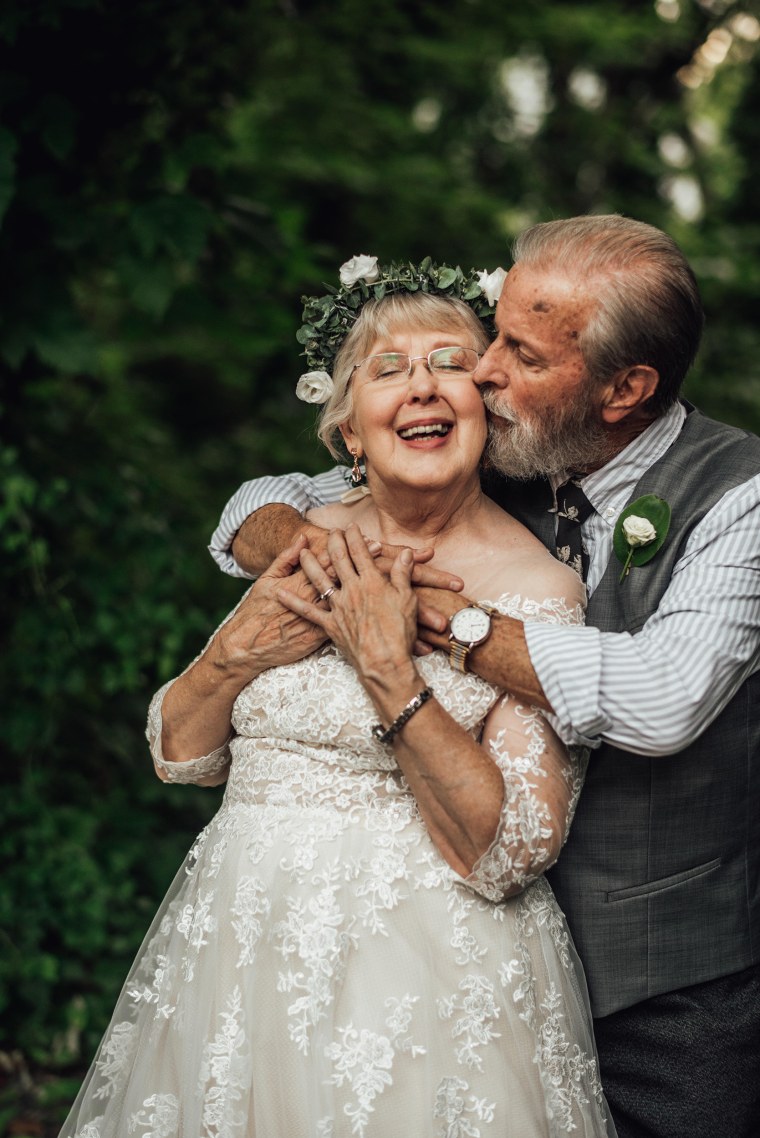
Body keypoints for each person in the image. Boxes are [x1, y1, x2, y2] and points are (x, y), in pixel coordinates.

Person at [212, 218, 760, 1138]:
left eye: (521, 351)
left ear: (626, 389)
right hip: (461, 953)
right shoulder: (502, 447)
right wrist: (322, 557)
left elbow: (662, 698)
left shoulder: (742, 496)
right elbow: (261, 504)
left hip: (667, 992)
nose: (486, 369)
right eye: (495, 333)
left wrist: (434, 618)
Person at [60, 265, 617, 1138]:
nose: (422, 385)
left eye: (449, 363)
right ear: (348, 428)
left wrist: (391, 670)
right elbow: (180, 753)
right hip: (239, 951)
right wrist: (228, 657)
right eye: (387, 368)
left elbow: (508, 851)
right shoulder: (301, 549)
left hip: (426, 976)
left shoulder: (539, 590)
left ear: (488, 409)